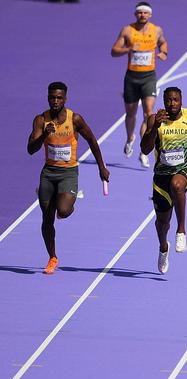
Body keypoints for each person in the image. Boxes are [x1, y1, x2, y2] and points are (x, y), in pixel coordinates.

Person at [26, 82, 111, 274]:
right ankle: (52, 257)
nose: (55, 101)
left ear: (65, 98)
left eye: (59, 98)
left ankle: (64, 202)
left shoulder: (75, 119)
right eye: (52, 97)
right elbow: (31, 149)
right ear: (48, 98)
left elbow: (92, 140)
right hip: (48, 173)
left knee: (62, 211)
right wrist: (43, 136)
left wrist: (102, 168)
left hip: (68, 172)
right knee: (47, 220)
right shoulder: (41, 120)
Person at [140, 87, 187, 274]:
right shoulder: (155, 120)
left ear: (181, 100)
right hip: (161, 176)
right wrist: (155, 127)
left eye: (175, 100)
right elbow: (145, 149)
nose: (172, 104)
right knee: (162, 223)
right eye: (168, 101)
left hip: (184, 169)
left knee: (177, 185)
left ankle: (181, 231)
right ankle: (163, 247)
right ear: (163, 102)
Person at [111, 1, 167, 168]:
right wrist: (128, 49)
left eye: (145, 13)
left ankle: (144, 150)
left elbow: (163, 42)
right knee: (130, 114)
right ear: (136, 14)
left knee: (148, 113)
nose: (142, 15)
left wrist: (163, 52)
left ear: (150, 15)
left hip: (149, 77)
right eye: (139, 13)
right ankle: (130, 139)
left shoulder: (157, 30)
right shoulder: (127, 30)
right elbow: (114, 51)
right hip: (131, 78)